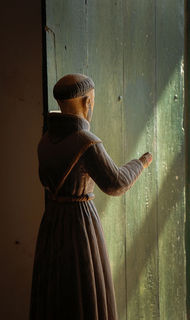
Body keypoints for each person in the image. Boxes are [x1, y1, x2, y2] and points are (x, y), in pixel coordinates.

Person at [29, 73, 152, 320]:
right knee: (84, 290)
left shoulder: (45, 141)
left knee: (55, 291)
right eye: (92, 100)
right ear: (86, 102)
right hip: (79, 225)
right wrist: (141, 163)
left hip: (52, 223)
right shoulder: (86, 141)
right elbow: (115, 183)